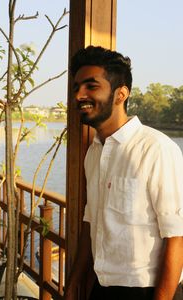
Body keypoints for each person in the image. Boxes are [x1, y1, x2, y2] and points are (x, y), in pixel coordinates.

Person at [64, 46, 183, 300]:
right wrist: (74, 281)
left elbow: (177, 237)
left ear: (121, 94)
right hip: (101, 287)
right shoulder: (93, 153)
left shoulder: (156, 149)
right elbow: (91, 220)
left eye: (91, 86)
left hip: (150, 289)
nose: (79, 95)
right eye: (76, 88)